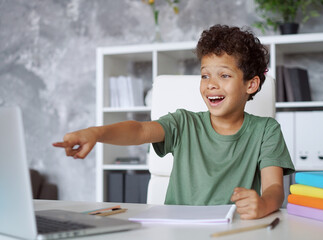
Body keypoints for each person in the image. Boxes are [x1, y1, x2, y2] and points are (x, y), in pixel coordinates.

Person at [53, 24, 295, 220]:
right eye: (205, 75)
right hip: (178, 231)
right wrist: (96, 133)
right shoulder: (183, 123)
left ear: (250, 84)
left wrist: (263, 204)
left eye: (224, 75)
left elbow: (274, 189)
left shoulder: (266, 130)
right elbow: (139, 131)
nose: (211, 84)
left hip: (232, 230)